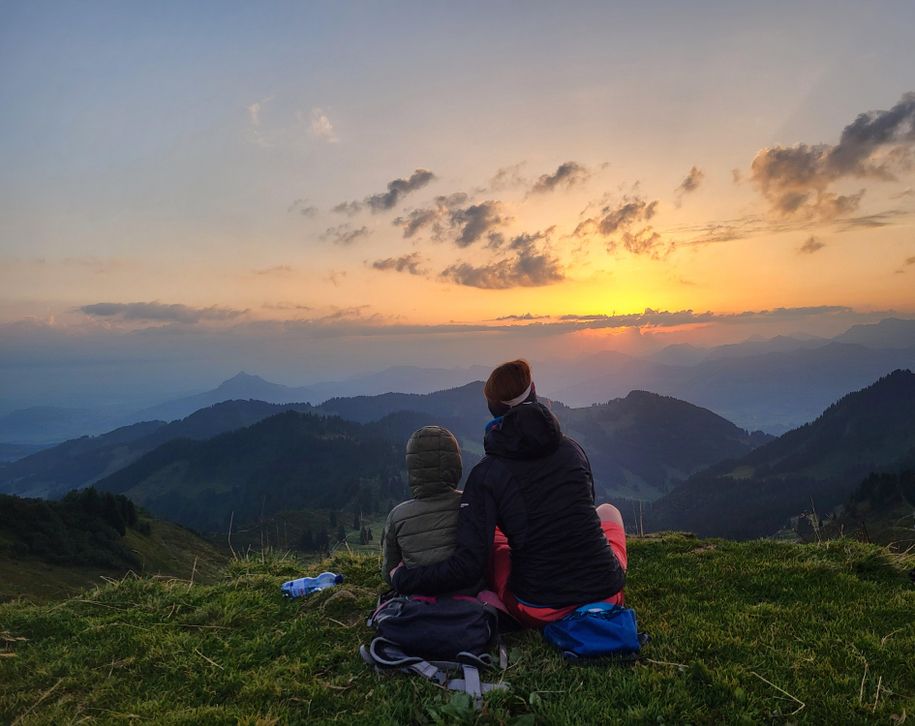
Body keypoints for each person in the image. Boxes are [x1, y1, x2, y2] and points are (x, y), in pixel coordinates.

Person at [391, 360, 627, 627]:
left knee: (492, 539)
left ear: (493, 410)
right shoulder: (572, 450)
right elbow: (580, 514)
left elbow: (469, 566)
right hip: (607, 593)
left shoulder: (487, 473)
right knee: (608, 512)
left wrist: (402, 578)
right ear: (535, 391)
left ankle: (503, 597)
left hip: (539, 606)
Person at [381, 425, 470, 588]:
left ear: (413, 468)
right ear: (455, 464)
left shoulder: (398, 516)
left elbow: (389, 573)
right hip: (473, 601)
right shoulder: (471, 503)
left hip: (418, 603)